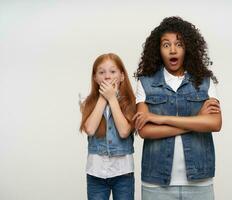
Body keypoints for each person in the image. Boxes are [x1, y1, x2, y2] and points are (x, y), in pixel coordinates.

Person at [133, 16, 222, 200]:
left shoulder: (204, 81)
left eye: (179, 44)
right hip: (156, 183)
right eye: (166, 45)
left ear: (187, 48)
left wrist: (160, 119)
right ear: (158, 50)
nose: (173, 50)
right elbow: (144, 130)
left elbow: (215, 122)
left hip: (199, 181)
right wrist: (197, 120)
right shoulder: (146, 83)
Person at [80, 53, 136, 200]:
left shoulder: (131, 101)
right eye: (101, 72)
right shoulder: (87, 102)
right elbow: (90, 129)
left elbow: (124, 132)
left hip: (123, 172)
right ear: (95, 78)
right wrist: (103, 98)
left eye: (112, 71)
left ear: (122, 76)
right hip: (96, 173)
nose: (107, 76)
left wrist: (112, 98)